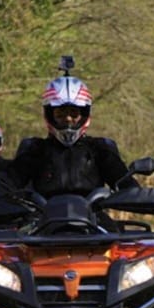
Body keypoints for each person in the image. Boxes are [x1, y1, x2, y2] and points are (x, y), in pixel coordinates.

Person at [8, 68, 139, 229]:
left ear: (84, 115)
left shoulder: (101, 149)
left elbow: (126, 185)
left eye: (73, 113)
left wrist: (135, 194)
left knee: (123, 243)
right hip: (40, 221)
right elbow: (9, 186)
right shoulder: (33, 149)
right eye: (60, 114)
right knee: (13, 244)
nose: (68, 119)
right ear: (49, 115)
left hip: (94, 220)